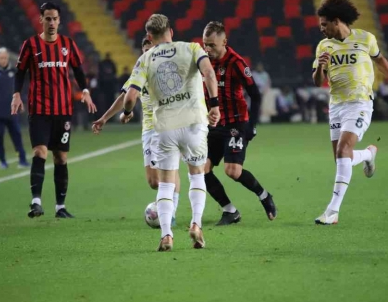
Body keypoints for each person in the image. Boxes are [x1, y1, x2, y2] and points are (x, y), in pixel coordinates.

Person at [121, 13, 220, 251]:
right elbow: (208, 73)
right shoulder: (193, 48)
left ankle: (166, 236)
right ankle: (196, 224)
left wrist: (127, 112)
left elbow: (131, 96)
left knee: (165, 184)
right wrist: (214, 104)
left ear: (149, 36)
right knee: (196, 175)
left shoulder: (145, 58)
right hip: (194, 123)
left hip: (164, 128)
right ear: (171, 32)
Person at [311, 0, 388, 225]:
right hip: (336, 106)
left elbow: (380, 60)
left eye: (324, 24)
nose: (321, 29)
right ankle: (369, 154)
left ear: (336, 21)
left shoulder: (365, 38)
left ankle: (332, 212)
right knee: (341, 158)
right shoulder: (324, 46)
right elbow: (316, 81)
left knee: (343, 151)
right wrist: (320, 68)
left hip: (360, 103)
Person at [11, 2, 96, 219]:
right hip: (39, 109)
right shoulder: (29, 45)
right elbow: (20, 72)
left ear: (59, 20)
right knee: (39, 151)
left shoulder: (68, 44)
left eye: (54, 18)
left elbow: (77, 69)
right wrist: (16, 94)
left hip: (63, 110)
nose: (51, 22)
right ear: (41, 20)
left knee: (61, 157)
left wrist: (85, 90)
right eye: (47, 18)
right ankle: (36, 202)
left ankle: (60, 207)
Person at [92, 37, 183, 225]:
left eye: (153, 49)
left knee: (169, 169)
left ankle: (170, 212)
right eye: (146, 50)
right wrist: (104, 118)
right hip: (149, 129)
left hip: (168, 126)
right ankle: (166, 208)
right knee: (153, 181)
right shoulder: (139, 70)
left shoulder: (167, 69)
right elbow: (126, 96)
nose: (149, 54)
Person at [201, 21, 276, 225]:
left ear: (224, 41)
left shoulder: (236, 63)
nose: (208, 49)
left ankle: (264, 196)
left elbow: (255, 94)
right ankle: (229, 211)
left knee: (232, 171)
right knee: (201, 169)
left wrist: (252, 124)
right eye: (205, 44)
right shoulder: (203, 62)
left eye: (212, 45)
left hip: (235, 124)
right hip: (214, 125)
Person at [0, 47, 29, 169]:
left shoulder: (13, 71)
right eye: (1, 58)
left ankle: (22, 160)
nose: (3, 60)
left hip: (12, 112)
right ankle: (2, 161)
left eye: (5, 58)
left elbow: (19, 90)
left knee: (17, 136)